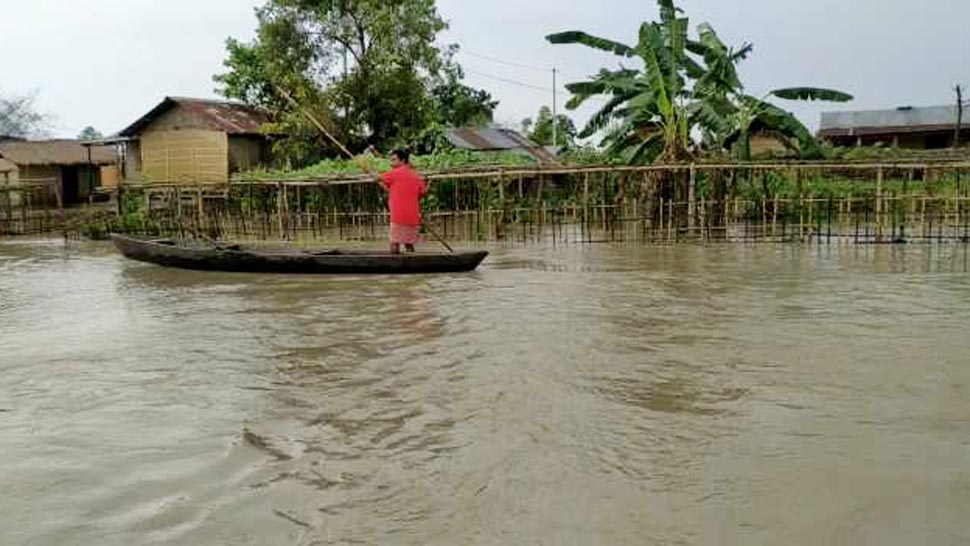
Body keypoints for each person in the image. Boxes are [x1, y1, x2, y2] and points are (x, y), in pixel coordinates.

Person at [379, 148, 428, 254]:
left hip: (398, 216)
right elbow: (423, 192)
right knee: (408, 243)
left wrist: (377, 179)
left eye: (394, 160)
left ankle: (394, 266)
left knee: (394, 243)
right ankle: (412, 264)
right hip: (413, 216)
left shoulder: (394, 174)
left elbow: (380, 178)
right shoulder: (416, 176)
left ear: (402, 161)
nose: (391, 163)